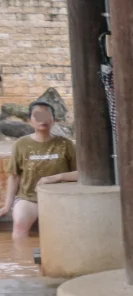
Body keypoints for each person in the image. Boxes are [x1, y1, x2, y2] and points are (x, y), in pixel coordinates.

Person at [0, 100, 78, 239]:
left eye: (47, 116)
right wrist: (7, 206)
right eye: (38, 116)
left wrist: (55, 178)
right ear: (30, 120)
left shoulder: (66, 144)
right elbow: (14, 176)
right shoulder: (21, 144)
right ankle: (22, 259)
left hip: (59, 198)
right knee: (19, 226)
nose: (43, 120)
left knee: (65, 232)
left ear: (53, 120)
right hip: (28, 199)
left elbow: (80, 174)